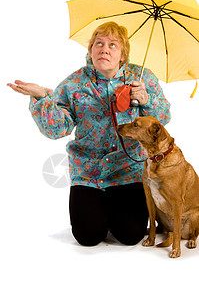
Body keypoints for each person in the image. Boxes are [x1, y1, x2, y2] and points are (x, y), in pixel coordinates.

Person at [7, 22, 171, 247]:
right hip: (88, 172)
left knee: (131, 235)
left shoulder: (143, 78)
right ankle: (99, 209)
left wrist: (146, 101)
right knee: (88, 236)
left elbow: (162, 122)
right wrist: (41, 98)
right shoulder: (75, 83)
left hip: (127, 171)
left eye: (113, 45)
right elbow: (57, 129)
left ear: (123, 54)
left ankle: (117, 210)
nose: (105, 49)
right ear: (90, 50)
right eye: (99, 43)